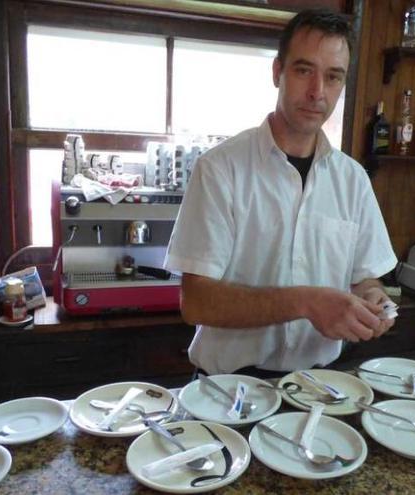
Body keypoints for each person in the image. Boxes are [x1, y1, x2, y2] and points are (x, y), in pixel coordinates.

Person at [164, 9, 397, 377]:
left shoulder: (353, 180)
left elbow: (364, 276)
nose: (317, 92)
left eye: (333, 76)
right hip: (228, 390)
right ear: (278, 72)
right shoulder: (221, 169)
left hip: (319, 388)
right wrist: (307, 302)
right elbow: (196, 301)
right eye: (304, 70)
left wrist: (372, 298)